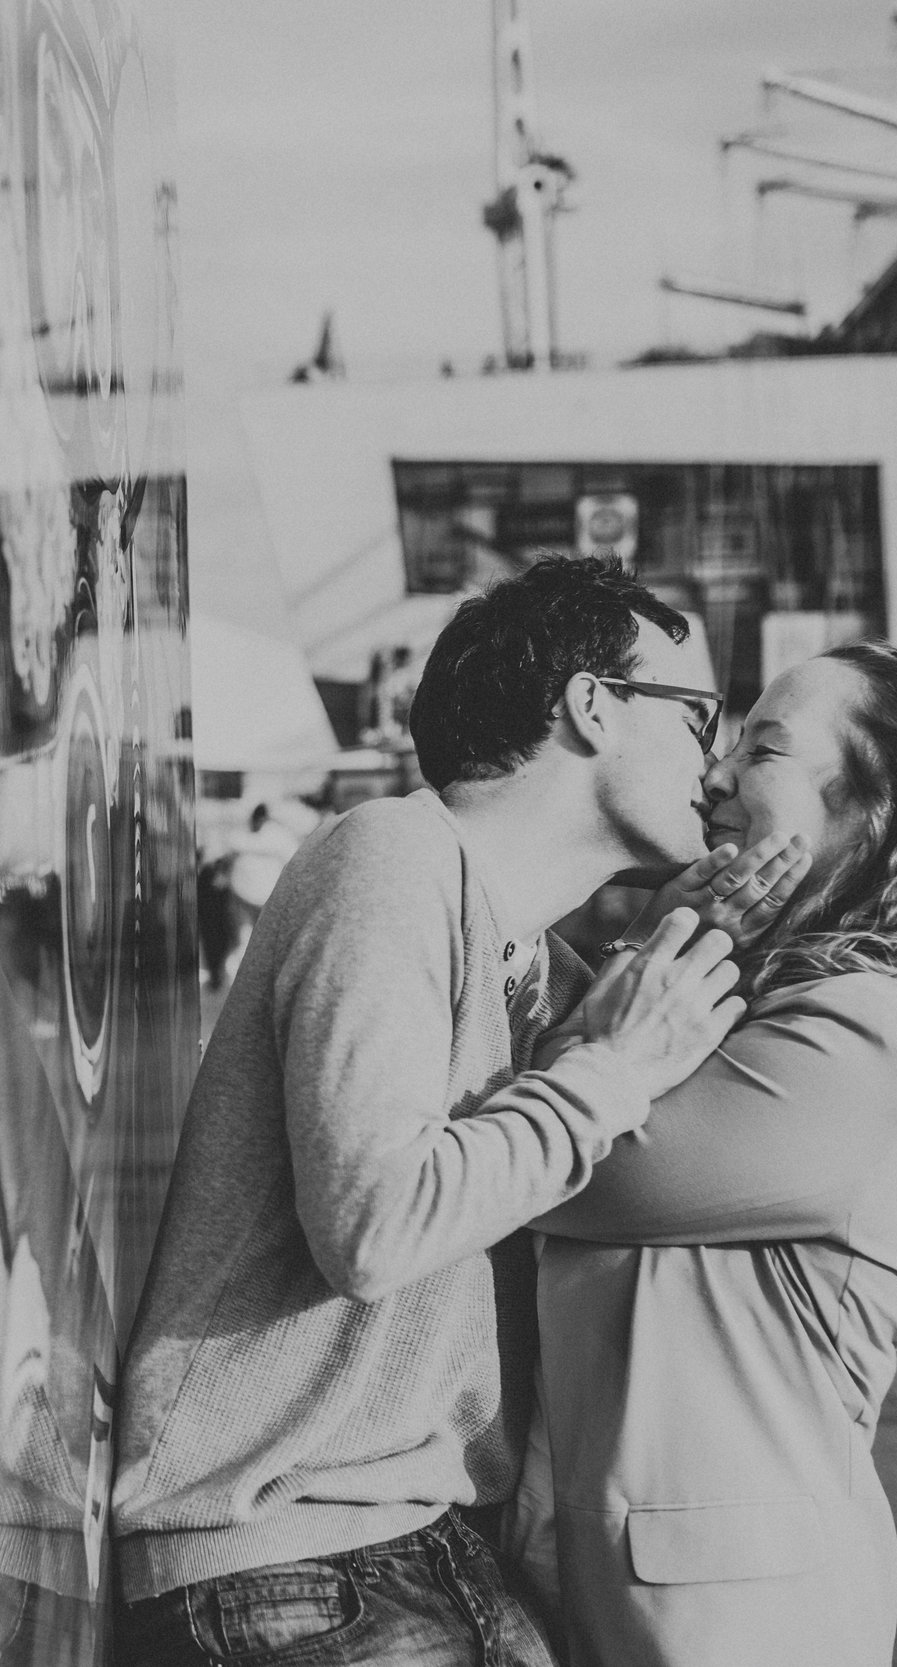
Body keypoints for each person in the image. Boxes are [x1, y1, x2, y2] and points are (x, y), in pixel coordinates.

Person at [111, 558, 745, 1667]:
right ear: (594, 704)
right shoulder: (391, 857)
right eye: (700, 716)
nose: (720, 757)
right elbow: (374, 1224)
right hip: (280, 1555)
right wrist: (610, 1065)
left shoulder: (534, 965)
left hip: (422, 1541)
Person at [515, 643, 897, 1667]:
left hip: (729, 1615)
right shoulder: (785, 997)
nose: (716, 774)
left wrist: (664, 938)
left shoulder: (869, 1032)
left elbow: (562, 1168)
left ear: (882, 802)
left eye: (764, 748)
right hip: (648, 1585)